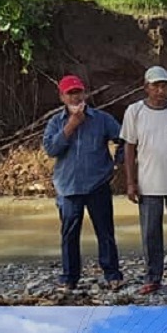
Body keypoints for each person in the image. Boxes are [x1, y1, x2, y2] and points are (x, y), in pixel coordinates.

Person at [41, 74, 124, 291]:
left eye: (78, 92)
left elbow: (123, 139)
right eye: (70, 93)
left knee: (105, 231)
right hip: (68, 187)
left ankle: (112, 273)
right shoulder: (55, 122)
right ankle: (69, 277)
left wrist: (118, 163)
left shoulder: (101, 119)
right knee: (69, 233)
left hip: (98, 183)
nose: (75, 97)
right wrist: (71, 125)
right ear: (62, 97)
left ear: (84, 93)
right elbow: (51, 149)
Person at [121, 65, 167, 296]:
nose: (160, 90)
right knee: (151, 232)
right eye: (155, 85)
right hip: (148, 183)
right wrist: (131, 182)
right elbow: (129, 148)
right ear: (146, 87)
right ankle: (152, 277)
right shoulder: (134, 112)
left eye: (164, 85)